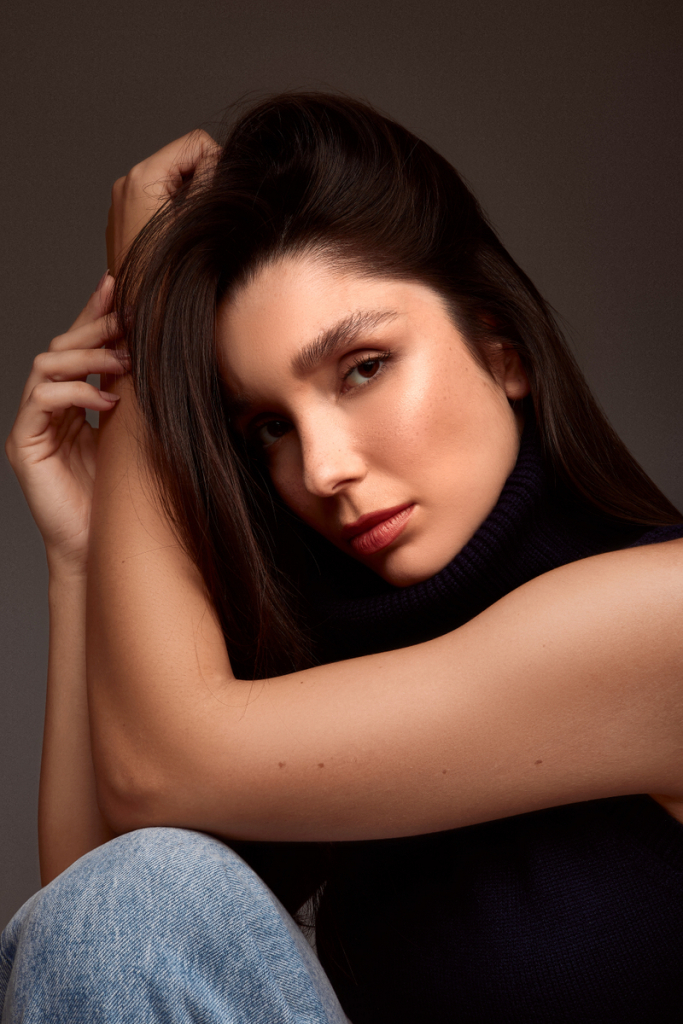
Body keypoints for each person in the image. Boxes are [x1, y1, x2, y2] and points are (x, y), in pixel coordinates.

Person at [3, 93, 683, 1023]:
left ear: (503, 349)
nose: (321, 470)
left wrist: (148, 313)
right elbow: (95, 936)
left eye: (362, 368)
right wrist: (84, 557)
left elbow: (154, 779)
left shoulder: (663, 619)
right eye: (268, 426)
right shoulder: (324, 679)